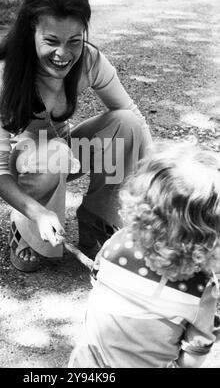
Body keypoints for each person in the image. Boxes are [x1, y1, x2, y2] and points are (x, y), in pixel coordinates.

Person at [0, 0, 152, 272]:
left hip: (67, 155)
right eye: (51, 41)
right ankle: (25, 229)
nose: (63, 54)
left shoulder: (90, 61)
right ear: (30, 30)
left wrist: (162, 176)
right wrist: (36, 212)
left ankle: (98, 218)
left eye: (74, 41)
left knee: (127, 125)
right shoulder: (3, 77)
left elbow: (131, 114)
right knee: (55, 152)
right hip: (28, 165)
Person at [69, 143, 220, 368]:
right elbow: (191, 359)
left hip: (87, 364)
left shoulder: (117, 244)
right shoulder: (201, 288)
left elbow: (96, 279)